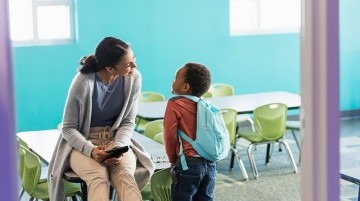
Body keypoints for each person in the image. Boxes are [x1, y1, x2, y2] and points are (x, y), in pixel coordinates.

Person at [48, 36, 155, 201]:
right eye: (128, 64)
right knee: (98, 177)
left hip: (116, 140)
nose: (134, 66)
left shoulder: (134, 78)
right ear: (110, 68)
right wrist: (91, 150)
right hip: (82, 143)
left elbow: (127, 121)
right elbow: (68, 128)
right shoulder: (82, 82)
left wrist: (118, 147)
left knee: (126, 176)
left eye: (133, 59)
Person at [163, 62, 216, 201]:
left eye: (175, 78)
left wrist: (172, 160)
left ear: (186, 87)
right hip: (210, 164)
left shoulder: (174, 103)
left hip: (189, 165)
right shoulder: (205, 104)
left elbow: (170, 136)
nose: (173, 81)